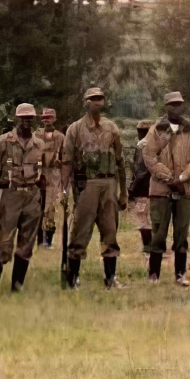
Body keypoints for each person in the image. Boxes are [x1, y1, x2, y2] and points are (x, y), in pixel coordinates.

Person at [61, 87, 127, 289]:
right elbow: (67, 161)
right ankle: (72, 278)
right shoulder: (75, 128)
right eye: (93, 99)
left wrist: (123, 192)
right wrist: (63, 190)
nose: (97, 102)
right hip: (86, 185)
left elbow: (120, 161)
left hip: (109, 183)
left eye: (100, 98)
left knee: (110, 231)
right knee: (80, 231)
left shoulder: (111, 128)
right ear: (86, 102)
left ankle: (110, 278)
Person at [142, 92, 190, 286]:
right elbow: (149, 156)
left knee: (181, 234)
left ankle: (180, 274)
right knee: (158, 233)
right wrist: (169, 178)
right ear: (166, 106)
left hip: (184, 190)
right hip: (161, 190)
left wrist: (182, 178)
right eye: (172, 104)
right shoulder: (156, 130)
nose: (176, 107)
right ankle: (154, 274)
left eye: (179, 104)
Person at [0, 104, 46, 292]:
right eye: (23, 117)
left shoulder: (39, 144)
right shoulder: (4, 141)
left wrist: (42, 205)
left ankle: (17, 287)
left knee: (26, 244)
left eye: (30, 118)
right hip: (10, 194)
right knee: (3, 242)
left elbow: (43, 177)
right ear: (16, 118)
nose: (26, 121)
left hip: (32, 196)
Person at [37, 108, 65, 248]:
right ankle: (37, 240)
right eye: (44, 117)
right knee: (36, 208)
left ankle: (47, 241)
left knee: (50, 208)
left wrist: (61, 162)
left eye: (49, 117)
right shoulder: (36, 135)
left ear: (54, 118)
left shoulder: (60, 137)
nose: (46, 120)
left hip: (54, 175)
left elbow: (66, 157)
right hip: (38, 174)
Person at [129, 119, 154, 248]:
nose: (140, 133)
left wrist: (133, 188)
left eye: (143, 131)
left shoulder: (146, 147)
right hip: (152, 188)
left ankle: (148, 244)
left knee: (142, 216)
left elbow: (142, 171)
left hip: (144, 188)